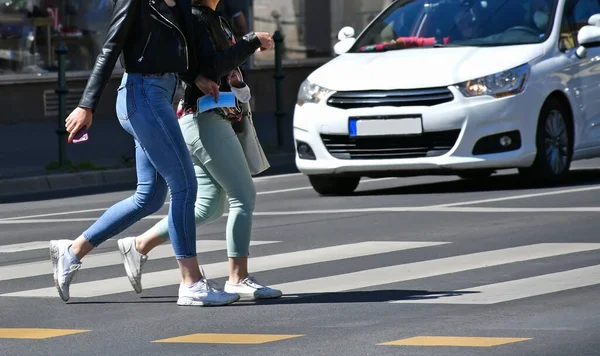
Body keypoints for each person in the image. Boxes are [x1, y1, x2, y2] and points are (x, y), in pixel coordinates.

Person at [50, 0, 242, 307]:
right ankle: (191, 282)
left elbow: (181, 52)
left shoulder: (178, 5)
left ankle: (71, 252)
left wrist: (196, 78)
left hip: (160, 97)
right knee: (185, 186)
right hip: (141, 95)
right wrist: (86, 104)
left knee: (150, 196)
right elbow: (109, 49)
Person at [115, 0, 282, 301]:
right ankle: (237, 277)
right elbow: (209, 67)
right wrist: (250, 41)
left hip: (211, 115)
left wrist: (239, 78)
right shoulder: (192, 17)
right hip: (203, 117)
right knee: (243, 195)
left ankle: (140, 245)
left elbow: (222, 69)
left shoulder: (214, 18)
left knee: (208, 206)